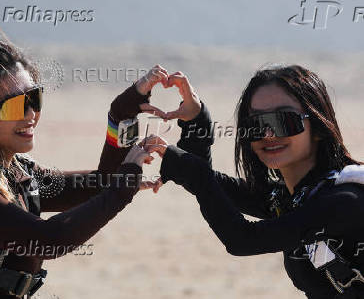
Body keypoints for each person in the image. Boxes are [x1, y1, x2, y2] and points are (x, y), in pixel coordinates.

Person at [0, 20, 169, 298]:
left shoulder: (14, 173)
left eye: (34, 98)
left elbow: (102, 181)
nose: (30, 114)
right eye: (15, 105)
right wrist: (121, 189)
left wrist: (122, 112)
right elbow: (48, 240)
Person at [142, 65, 364, 298]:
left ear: (318, 127)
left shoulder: (345, 201)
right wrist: (196, 122)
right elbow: (213, 189)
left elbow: (242, 239)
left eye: (284, 120)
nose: (268, 135)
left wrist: (189, 168)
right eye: (256, 125)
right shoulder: (293, 197)